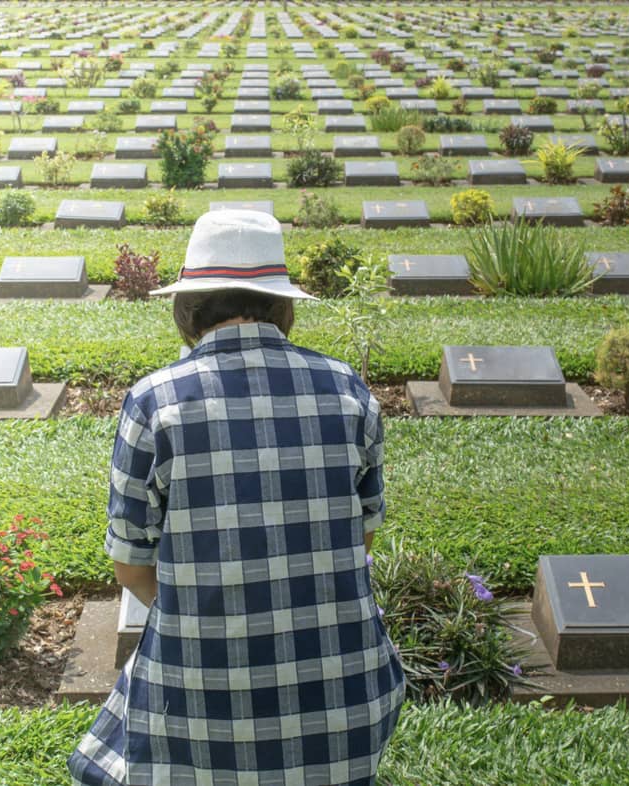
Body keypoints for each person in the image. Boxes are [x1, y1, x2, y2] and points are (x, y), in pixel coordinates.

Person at [68, 210, 405, 786]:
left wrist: (207, 619)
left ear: (190, 306)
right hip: (343, 702)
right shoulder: (348, 388)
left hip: (196, 706)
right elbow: (362, 534)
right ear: (280, 303)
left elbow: (130, 564)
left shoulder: (154, 402)